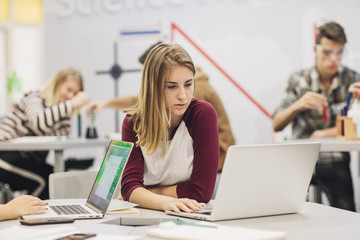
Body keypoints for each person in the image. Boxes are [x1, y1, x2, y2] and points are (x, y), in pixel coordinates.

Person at [120, 43, 219, 213]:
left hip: (188, 212)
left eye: (188, 84)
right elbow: (129, 188)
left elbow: (201, 192)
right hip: (147, 212)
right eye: (171, 86)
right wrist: (163, 202)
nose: (182, 95)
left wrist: (148, 193)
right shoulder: (133, 123)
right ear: (153, 87)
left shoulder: (203, 114)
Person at [273, 21, 360, 211]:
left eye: (339, 52)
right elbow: (277, 124)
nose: (334, 59)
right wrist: (298, 105)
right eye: (328, 52)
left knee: (348, 216)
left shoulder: (352, 80)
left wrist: (324, 133)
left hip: (335, 160)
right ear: (316, 50)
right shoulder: (298, 80)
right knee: (289, 214)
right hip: (301, 161)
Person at [0, 67, 90, 199]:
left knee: (62, 179)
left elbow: (63, 134)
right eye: (68, 90)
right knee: (44, 182)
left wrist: (65, 108)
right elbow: (38, 122)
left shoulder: (59, 108)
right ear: (57, 83)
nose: (70, 96)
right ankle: (28, 215)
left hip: (27, 159)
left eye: (75, 94)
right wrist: (71, 104)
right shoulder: (34, 96)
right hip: (6, 156)